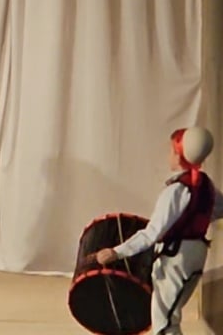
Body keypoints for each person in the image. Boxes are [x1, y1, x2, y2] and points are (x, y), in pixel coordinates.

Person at [94, 127, 223, 335]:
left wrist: (116, 252)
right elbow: (215, 209)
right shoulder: (205, 184)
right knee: (169, 314)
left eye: (171, 151)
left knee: (165, 321)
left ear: (179, 155)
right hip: (196, 253)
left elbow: (151, 233)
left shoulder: (176, 190)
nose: (168, 155)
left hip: (176, 257)